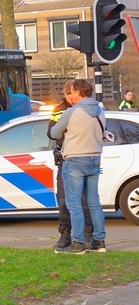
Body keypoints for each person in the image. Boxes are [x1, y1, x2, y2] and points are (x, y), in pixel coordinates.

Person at [48, 79, 107, 254]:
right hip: (95, 158)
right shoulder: (100, 111)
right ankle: (99, 242)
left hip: (75, 159)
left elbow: (54, 133)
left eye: (72, 92)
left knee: (73, 203)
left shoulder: (71, 112)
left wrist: (67, 130)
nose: (70, 95)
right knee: (94, 202)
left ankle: (78, 243)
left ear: (78, 92)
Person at [47, 81, 91, 251]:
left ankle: (88, 233)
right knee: (64, 199)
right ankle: (65, 233)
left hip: (82, 155)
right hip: (65, 158)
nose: (71, 100)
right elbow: (51, 132)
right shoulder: (59, 109)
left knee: (85, 198)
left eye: (73, 96)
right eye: (68, 97)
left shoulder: (87, 107)